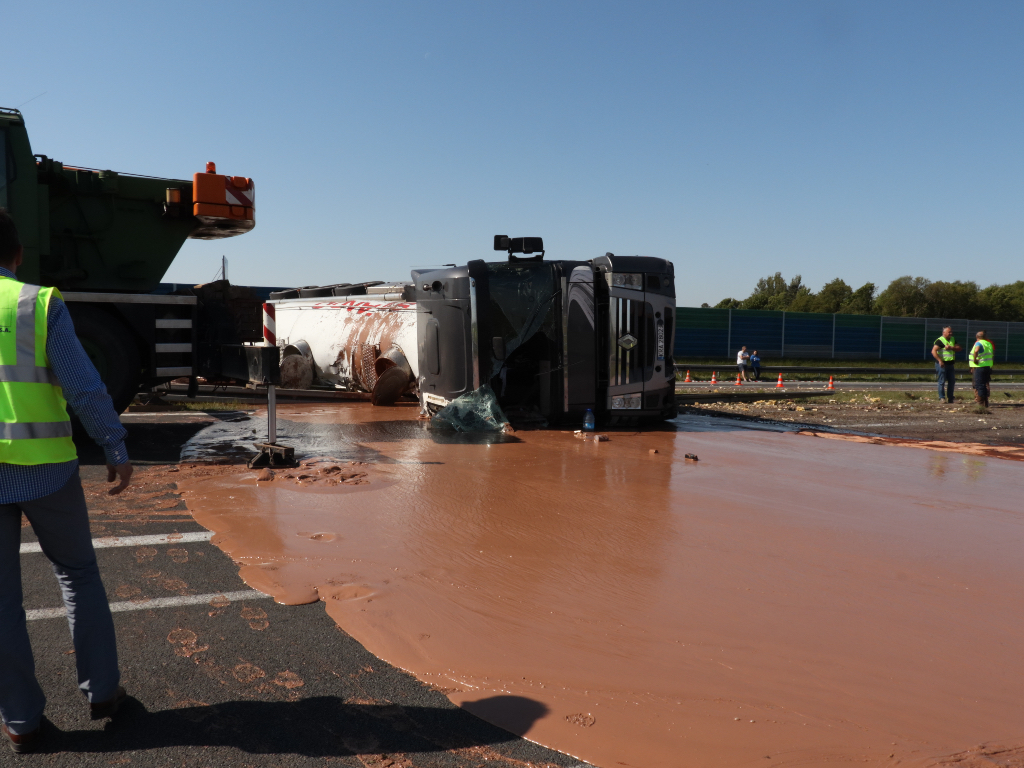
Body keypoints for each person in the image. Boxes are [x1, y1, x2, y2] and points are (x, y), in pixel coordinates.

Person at [0, 209, 132, 753]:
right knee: (78, 574)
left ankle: (21, 722)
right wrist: (113, 444)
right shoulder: (36, 304)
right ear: (17, 253)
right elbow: (83, 385)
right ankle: (102, 692)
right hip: (48, 469)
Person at [931, 326, 961, 403]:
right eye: (949, 332)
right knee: (942, 381)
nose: (951, 333)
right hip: (942, 364)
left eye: (951, 332)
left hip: (950, 364)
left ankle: (951, 398)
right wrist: (940, 360)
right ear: (944, 333)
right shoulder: (940, 340)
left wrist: (951, 348)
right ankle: (942, 397)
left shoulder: (952, 339)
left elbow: (959, 348)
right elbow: (933, 351)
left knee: (952, 381)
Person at [968, 330, 994, 407]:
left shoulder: (978, 343)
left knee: (979, 385)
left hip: (980, 366)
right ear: (985, 337)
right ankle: (985, 402)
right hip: (987, 366)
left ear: (977, 337)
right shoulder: (988, 343)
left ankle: (980, 403)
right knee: (985, 384)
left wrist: (975, 360)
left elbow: (976, 350)